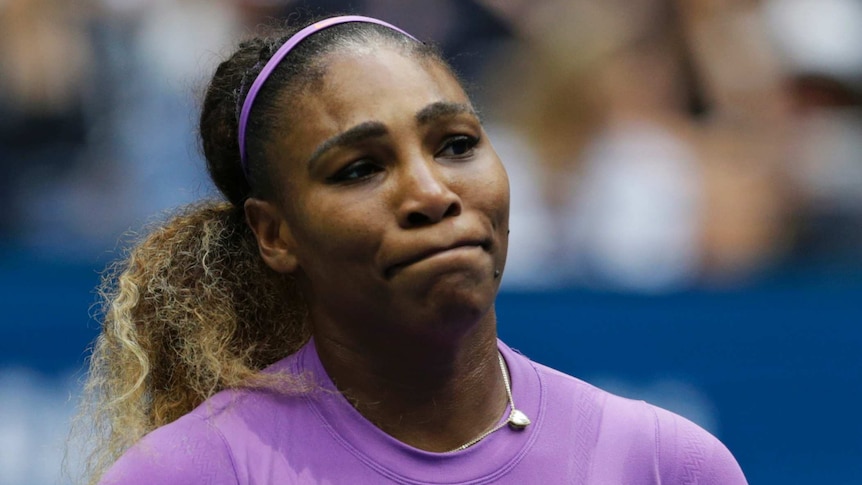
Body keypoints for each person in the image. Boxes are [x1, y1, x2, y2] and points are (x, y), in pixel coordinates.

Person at [80, 14, 748, 484]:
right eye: (359, 168)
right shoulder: (188, 472)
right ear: (274, 233)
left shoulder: (670, 465)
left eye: (457, 145)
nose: (431, 192)